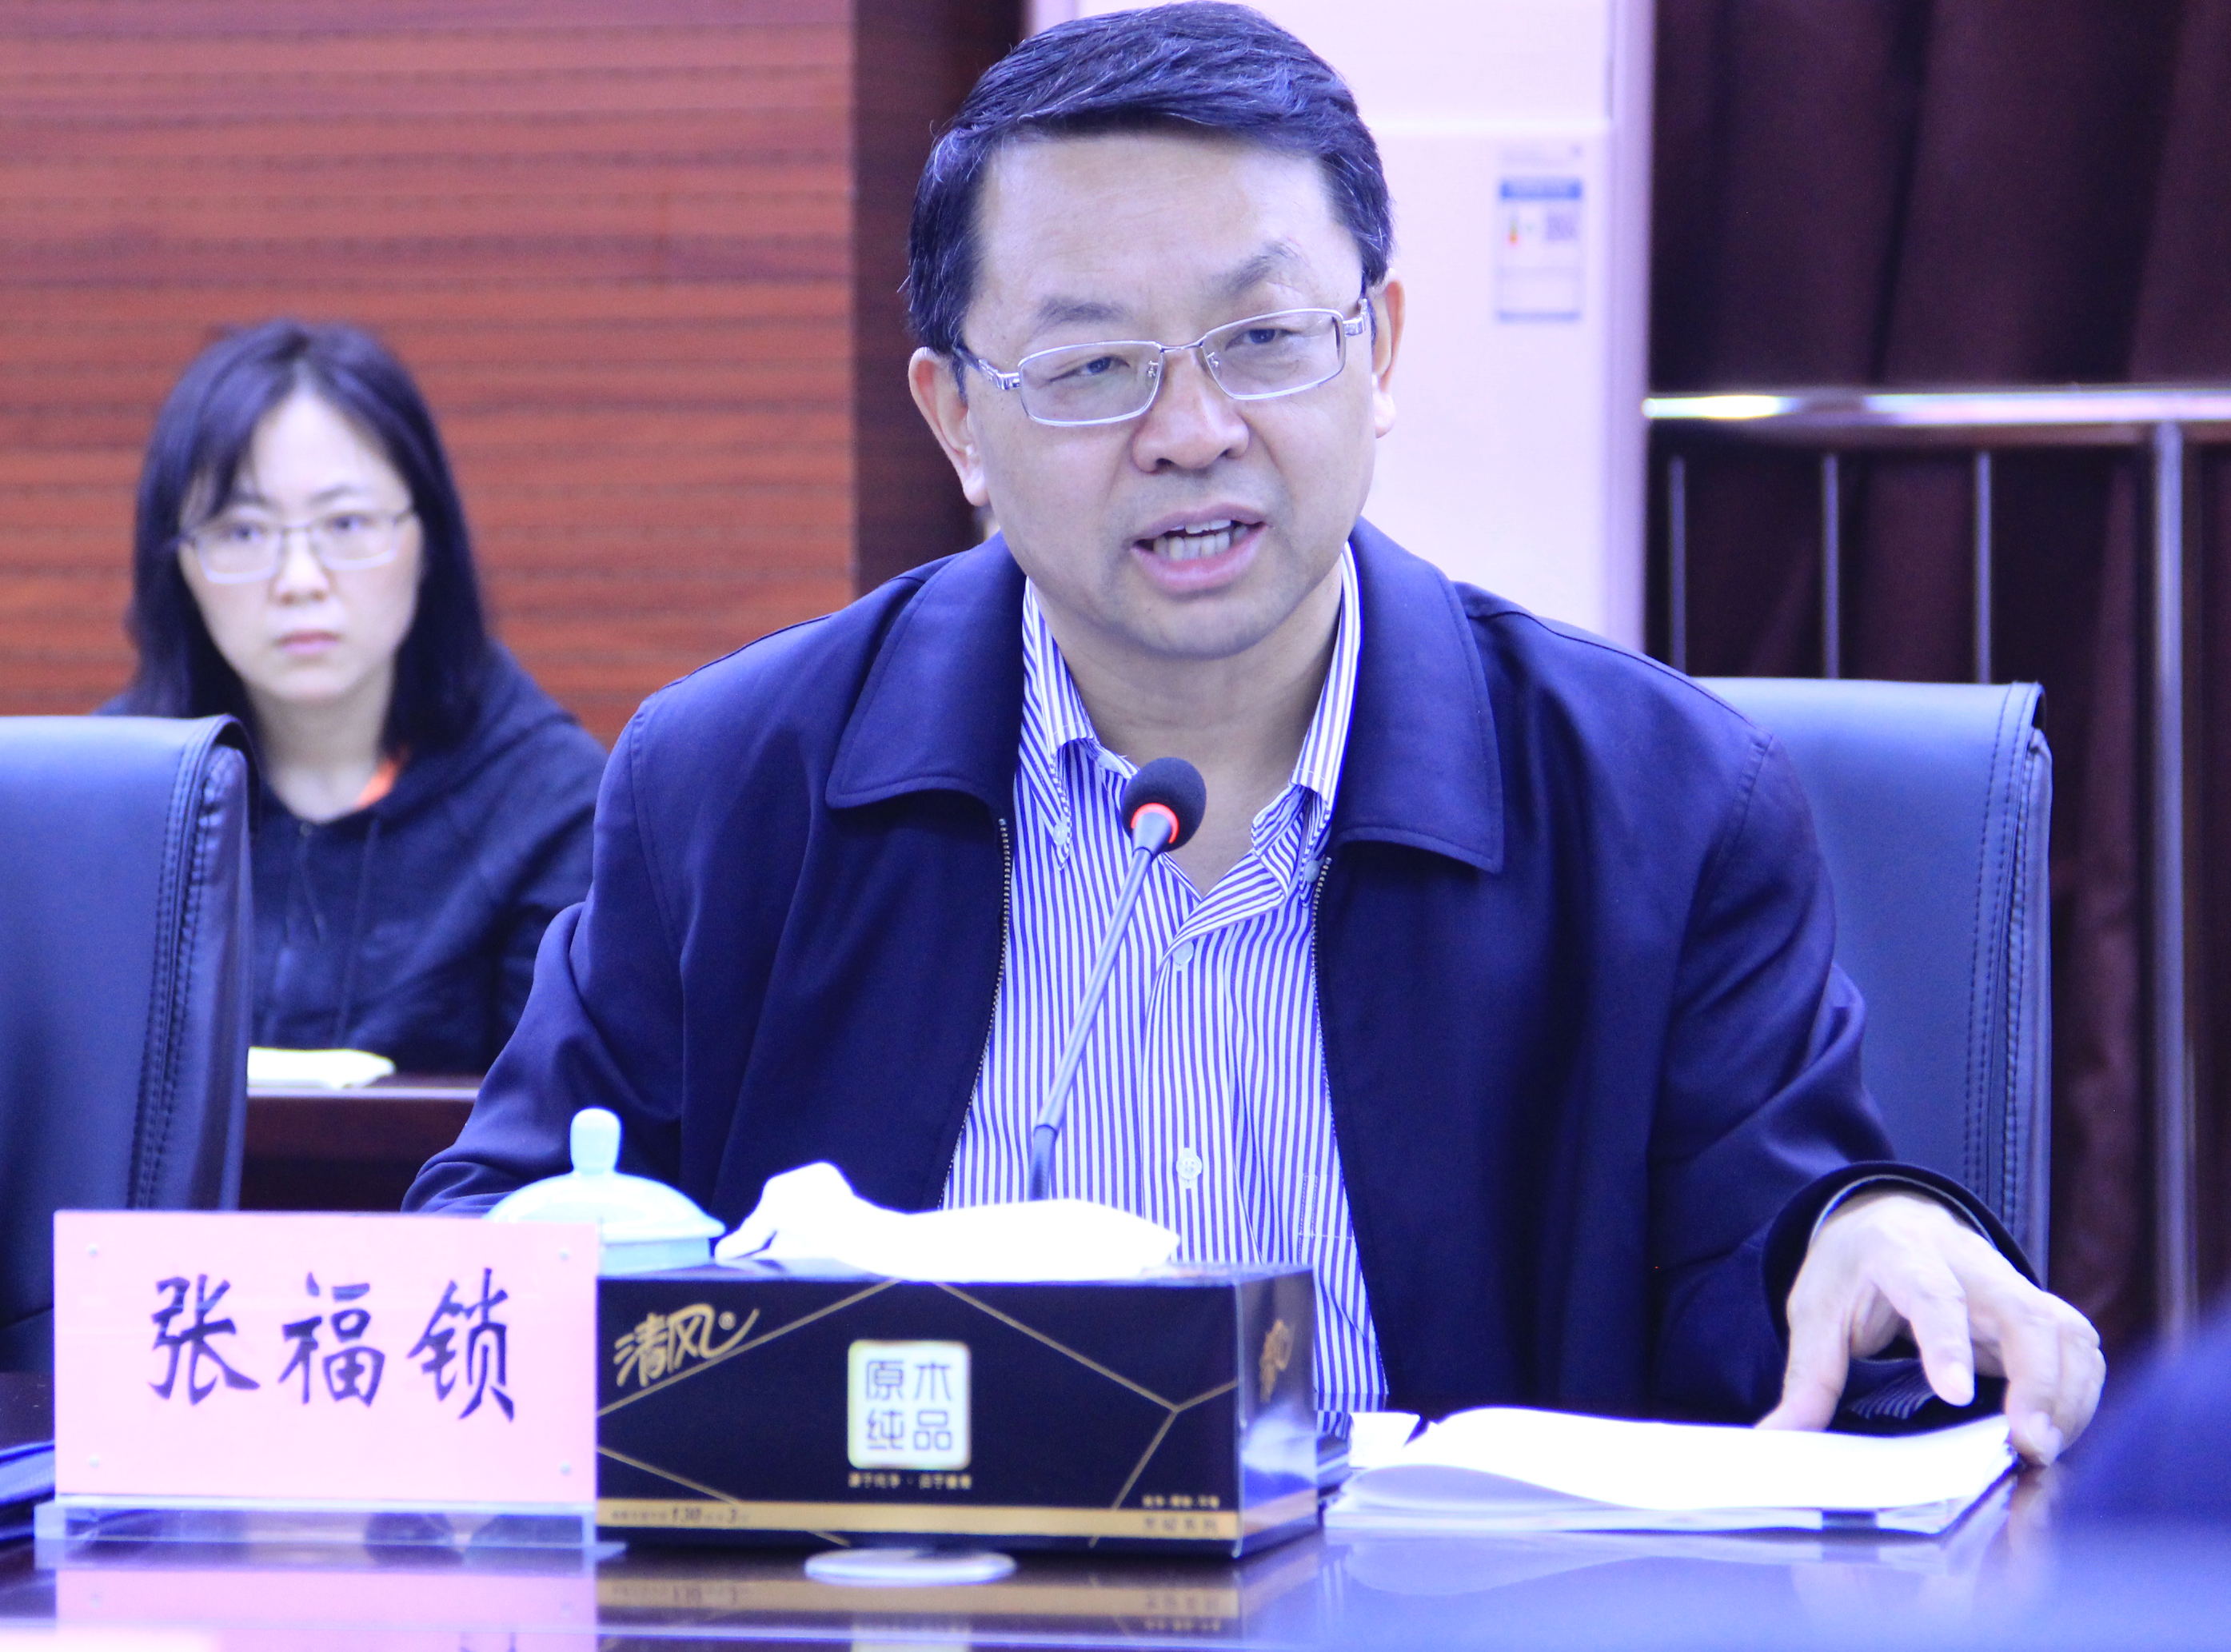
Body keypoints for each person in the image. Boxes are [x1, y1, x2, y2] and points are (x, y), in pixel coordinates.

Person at [408, 4, 2101, 1451]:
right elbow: (495, 1246)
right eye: (1093, 368)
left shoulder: (1663, 806)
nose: (1194, 430)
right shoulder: (731, 786)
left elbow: (1778, 1264)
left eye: (1266, 340)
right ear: (959, 421)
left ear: (1379, 351)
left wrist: (1871, 1232)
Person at [111, 320, 605, 1074]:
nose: (300, 580)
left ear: (428, 540)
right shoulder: (116, 798)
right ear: (176, 561)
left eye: (346, 523)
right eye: (242, 532)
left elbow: (554, 1113)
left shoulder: (551, 808)